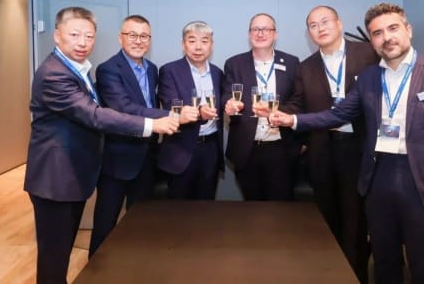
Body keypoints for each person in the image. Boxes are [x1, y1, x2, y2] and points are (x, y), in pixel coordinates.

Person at [269, 3, 424, 284]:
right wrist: (291, 120)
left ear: (408, 30)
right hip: (378, 179)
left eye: (393, 28)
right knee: (384, 262)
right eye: (377, 33)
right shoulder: (369, 77)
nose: (386, 37)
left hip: (422, 183)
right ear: (372, 41)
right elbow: (338, 114)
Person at [24, 6, 179, 284]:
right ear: (57, 35)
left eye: (89, 36)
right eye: (75, 34)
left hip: (72, 176)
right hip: (55, 180)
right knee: (53, 260)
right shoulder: (54, 74)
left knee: (60, 254)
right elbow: (95, 115)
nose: (83, 42)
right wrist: (152, 124)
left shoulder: (77, 69)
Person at [283, 5, 378, 283]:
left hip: (358, 149)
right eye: (313, 25)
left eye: (325, 21)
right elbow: (298, 104)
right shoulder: (305, 67)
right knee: (327, 219)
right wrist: (279, 113)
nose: (320, 28)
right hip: (322, 149)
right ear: (309, 33)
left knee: (355, 221)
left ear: (339, 23)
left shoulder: (368, 53)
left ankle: (356, 275)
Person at [88, 14, 196, 257]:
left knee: (140, 223)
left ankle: (135, 266)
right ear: (121, 38)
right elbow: (123, 108)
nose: (138, 40)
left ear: (150, 40)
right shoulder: (107, 69)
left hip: (147, 157)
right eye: (132, 35)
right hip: (119, 159)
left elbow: (149, 103)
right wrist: (173, 115)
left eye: (144, 36)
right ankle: (96, 270)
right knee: (105, 224)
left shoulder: (152, 69)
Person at [222, 13, 300, 201]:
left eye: (266, 29)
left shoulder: (291, 62)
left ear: (275, 34)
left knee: (281, 206)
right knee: (252, 205)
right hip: (247, 148)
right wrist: (229, 103)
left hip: (281, 147)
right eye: (255, 29)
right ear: (249, 34)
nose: (260, 33)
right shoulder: (234, 63)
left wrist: (277, 112)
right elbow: (227, 93)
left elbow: (298, 100)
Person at [157, 21, 224, 200]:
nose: (198, 47)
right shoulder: (169, 71)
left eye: (204, 41)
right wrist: (200, 113)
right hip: (181, 148)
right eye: (192, 41)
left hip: (210, 148)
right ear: (183, 44)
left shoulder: (218, 73)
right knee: (179, 209)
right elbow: (171, 106)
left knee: (206, 205)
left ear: (211, 45)